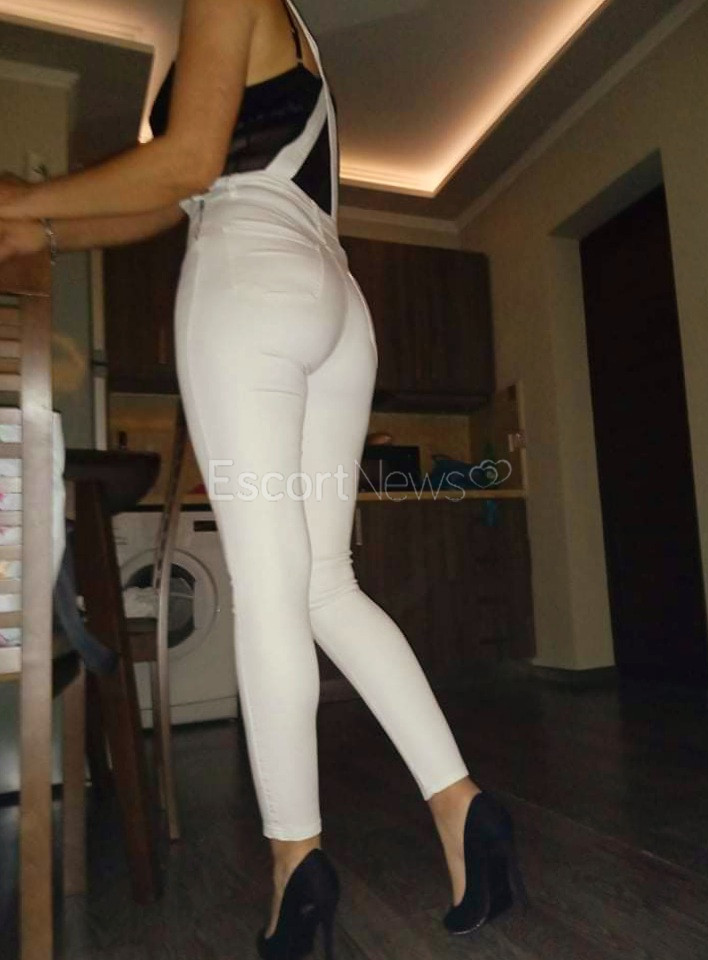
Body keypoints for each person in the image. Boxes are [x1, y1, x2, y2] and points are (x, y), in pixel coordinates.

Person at [0, 1, 527, 956]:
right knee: (324, 583)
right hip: (332, 296)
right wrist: (48, 227)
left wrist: (22, 202)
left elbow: (187, 165)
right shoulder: (292, 31)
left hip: (248, 278)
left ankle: (297, 864)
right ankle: (464, 806)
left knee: (272, 589)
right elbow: (177, 192)